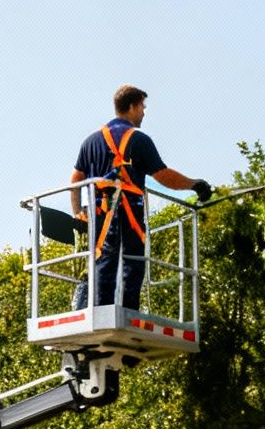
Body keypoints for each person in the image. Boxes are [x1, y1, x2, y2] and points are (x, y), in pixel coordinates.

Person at [70, 85, 211, 311]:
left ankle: (98, 312)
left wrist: (78, 212)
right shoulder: (138, 139)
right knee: (131, 264)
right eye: (142, 107)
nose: (144, 112)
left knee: (102, 261)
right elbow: (163, 175)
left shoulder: (91, 141)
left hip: (100, 218)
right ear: (132, 106)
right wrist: (195, 185)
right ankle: (126, 314)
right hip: (127, 215)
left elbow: (75, 179)